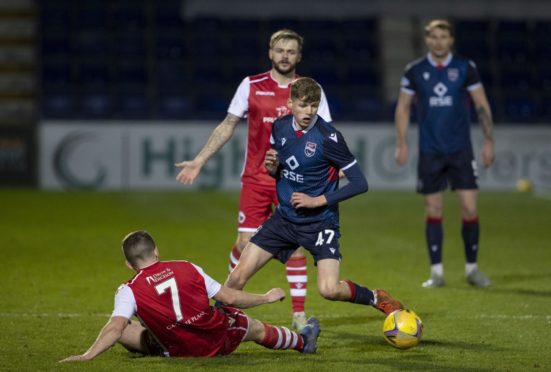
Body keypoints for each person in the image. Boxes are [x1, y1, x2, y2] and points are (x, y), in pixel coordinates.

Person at [175, 29, 332, 330]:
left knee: (297, 245)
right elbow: (228, 125)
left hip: (294, 181)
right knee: (244, 243)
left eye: (291, 51)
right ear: (270, 53)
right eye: (280, 50)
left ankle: (298, 315)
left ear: (298, 57)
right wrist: (199, 160)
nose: (285, 55)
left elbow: (326, 134)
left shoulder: (310, 89)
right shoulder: (251, 85)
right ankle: (231, 298)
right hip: (257, 180)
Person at [223, 77, 404, 320]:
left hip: (320, 223)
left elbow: (360, 183)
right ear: (290, 103)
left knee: (329, 290)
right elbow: (279, 169)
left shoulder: (329, 138)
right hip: (284, 219)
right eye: (302, 105)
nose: (308, 111)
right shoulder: (280, 127)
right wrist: (272, 167)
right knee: (236, 277)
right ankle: (212, 328)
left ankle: (374, 297)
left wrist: (317, 200)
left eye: (313, 105)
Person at [59, 230, 320, 362]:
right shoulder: (186, 266)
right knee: (252, 326)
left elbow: (115, 327)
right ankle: (301, 341)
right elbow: (230, 298)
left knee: (124, 327)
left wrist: (87, 355)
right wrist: (266, 297)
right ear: (157, 251)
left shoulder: (128, 289)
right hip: (216, 340)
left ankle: (158, 345)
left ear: (129, 264)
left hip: (177, 349)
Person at [394, 19, 495, 288]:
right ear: (427, 40)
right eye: (434, 37)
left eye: (444, 37)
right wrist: (401, 142)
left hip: (461, 149)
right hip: (430, 151)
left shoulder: (465, 68)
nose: (439, 41)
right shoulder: (415, 70)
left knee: (470, 208)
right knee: (433, 208)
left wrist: (488, 141)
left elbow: (481, 104)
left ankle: (472, 269)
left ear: (451, 40)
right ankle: (437, 273)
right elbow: (403, 107)